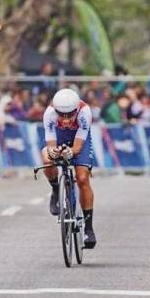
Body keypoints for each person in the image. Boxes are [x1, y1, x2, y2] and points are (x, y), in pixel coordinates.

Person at [41, 88, 96, 249]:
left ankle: (88, 228)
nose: (65, 120)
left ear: (76, 109)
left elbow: (78, 147)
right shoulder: (49, 114)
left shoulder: (85, 113)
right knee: (47, 160)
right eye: (61, 115)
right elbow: (50, 146)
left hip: (78, 139)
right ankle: (56, 189)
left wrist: (70, 152)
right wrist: (54, 153)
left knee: (82, 178)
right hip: (58, 136)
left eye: (69, 115)